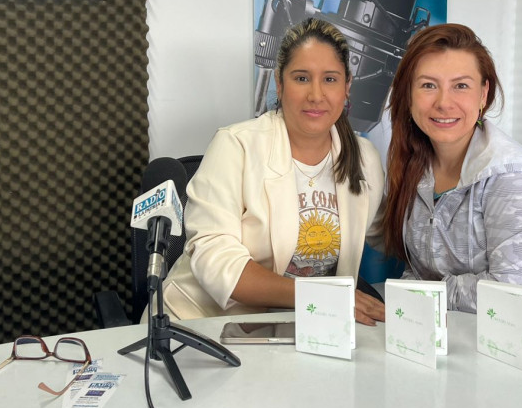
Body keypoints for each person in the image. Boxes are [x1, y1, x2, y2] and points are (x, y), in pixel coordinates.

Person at [157, 18, 386, 325]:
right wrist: (316, 295)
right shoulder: (235, 146)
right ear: (280, 83)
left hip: (310, 328)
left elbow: (390, 235)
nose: (316, 95)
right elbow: (217, 261)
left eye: (330, 79)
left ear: (347, 88)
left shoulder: (364, 158)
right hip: (203, 324)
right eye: (302, 78)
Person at [382, 23, 522, 319]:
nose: (443, 102)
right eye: (428, 85)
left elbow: (512, 291)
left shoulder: (510, 173)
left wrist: (419, 294)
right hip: (472, 333)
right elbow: (419, 269)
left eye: (461, 86)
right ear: (408, 95)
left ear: (483, 94)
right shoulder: (414, 167)